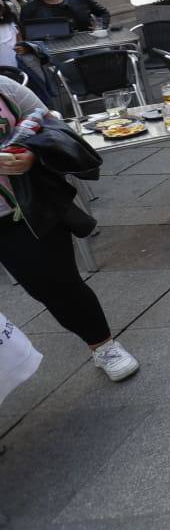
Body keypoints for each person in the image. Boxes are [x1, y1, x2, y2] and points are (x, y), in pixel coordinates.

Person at [0, 77, 139, 383]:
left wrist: (31, 154)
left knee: (56, 285)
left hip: (22, 209)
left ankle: (103, 346)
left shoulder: (4, 87)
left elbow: (47, 119)